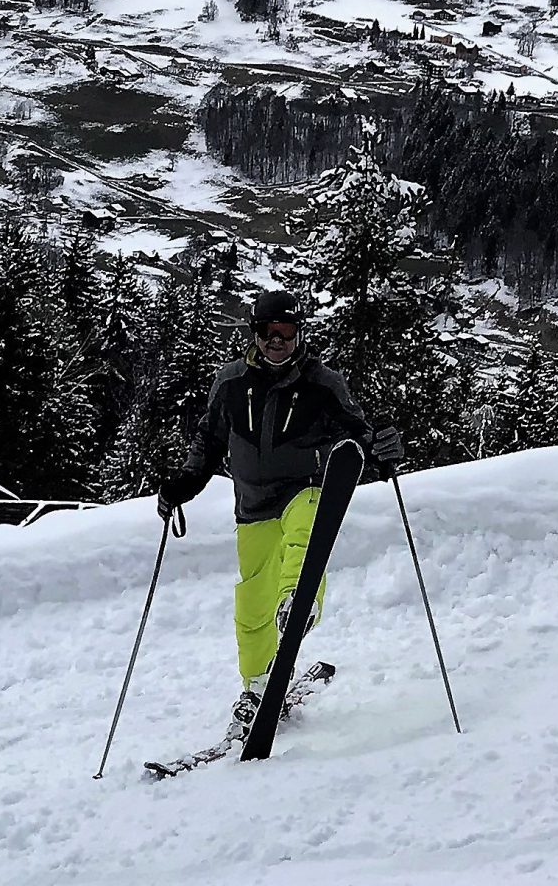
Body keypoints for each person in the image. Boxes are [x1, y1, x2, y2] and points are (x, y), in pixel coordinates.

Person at [157, 288, 403, 732]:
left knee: (306, 534)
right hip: (251, 504)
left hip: (304, 489)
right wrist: (186, 483)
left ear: (297, 333)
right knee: (251, 606)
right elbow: (209, 440)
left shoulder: (322, 383)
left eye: (286, 331)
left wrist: (380, 449)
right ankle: (256, 686)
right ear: (256, 334)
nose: (277, 340)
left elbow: (356, 434)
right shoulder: (230, 382)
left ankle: (298, 601)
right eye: (269, 331)